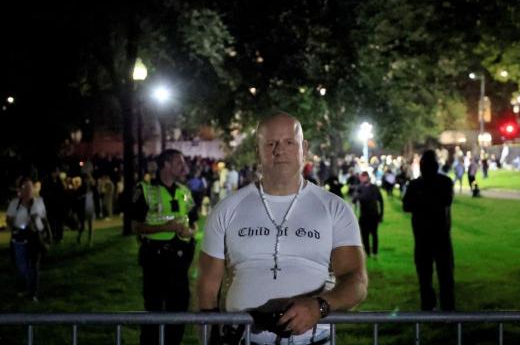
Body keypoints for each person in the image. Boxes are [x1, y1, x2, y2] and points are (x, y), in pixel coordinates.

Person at [198, 112, 368, 345]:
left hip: (311, 340)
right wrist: (210, 336)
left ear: (304, 148)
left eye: (290, 142)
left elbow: (356, 280)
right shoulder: (227, 208)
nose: (280, 150)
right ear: (257, 149)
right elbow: (208, 284)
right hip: (243, 338)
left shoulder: (334, 208)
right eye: (270, 143)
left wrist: (319, 306)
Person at [131, 149, 198, 345]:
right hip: (155, 260)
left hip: (180, 261)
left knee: (179, 310)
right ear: (166, 165)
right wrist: (165, 228)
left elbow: (194, 223)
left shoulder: (184, 192)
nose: (183, 167)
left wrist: (190, 232)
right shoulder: (145, 190)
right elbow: (135, 226)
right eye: (179, 163)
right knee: (155, 311)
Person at [403, 150, 455, 311]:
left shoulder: (417, 185)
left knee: (427, 275)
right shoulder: (444, 182)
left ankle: (431, 305)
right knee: (442, 275)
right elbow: (446, 201)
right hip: (437, 235)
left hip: (427, 235)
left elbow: (407, 205)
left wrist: (421, 199)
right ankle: (444, 306)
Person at [7, 177, 48, 302]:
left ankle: (32, 292)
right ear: (20, 189)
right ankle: (24, 287)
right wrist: (13, 224)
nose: (28, 190)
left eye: (30, 187)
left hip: (34, 238)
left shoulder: (38, 202)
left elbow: (44, 219)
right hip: (19, 238)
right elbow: (9, 219)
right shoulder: (15, 203)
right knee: (22, 266)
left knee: (33, 265)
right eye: (25, 187)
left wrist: (36, 223)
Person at [353, 171, 384, 257]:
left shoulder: (375, 188)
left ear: (367, 177)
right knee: (364, 235)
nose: (362, 178)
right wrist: (356, 196)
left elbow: (381, 201)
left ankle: (375, 252)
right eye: (361, 177)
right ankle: (367, 252)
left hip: (374, 215)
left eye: (364, 177)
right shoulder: (359, 188)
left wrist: (381, 215)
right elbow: (354, 200)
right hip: (363, 216)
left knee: (374, 234)